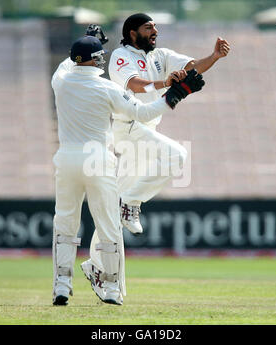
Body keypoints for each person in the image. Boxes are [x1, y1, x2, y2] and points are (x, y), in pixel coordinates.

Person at [51, 35, 205, 306]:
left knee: (65, 223)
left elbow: (66, 63)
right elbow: (145, 114)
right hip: (97, 161)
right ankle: (111, 289)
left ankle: (61, 286)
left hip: (65, 159)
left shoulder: (60, 81)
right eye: (99, 54)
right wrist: (177, 94)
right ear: (96, 59)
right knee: (109, 224)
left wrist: (82, 45)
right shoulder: (106, 88)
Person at [106, 13, 231, 234]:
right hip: (129, 126)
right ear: (132, 33)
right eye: (148, 28)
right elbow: (135, 85)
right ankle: (132, 202)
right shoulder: (121, 55)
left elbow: (192, 67)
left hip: (146, 130)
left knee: (115, 205)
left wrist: (214, 56)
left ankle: (98, 263)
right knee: (177, 155)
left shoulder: (160, 55)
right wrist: (164, 82)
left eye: (155, 27)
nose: (154, 31)